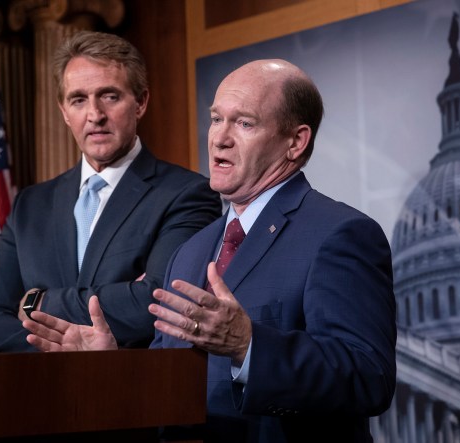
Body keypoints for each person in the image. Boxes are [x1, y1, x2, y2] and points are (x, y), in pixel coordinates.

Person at [23, 59, 396, 442]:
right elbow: (169, 384)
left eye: (244, 123)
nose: (219, 137)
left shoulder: (339, 233)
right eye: (217, 119)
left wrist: (249, 345)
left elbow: (369, 376)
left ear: (295, 142)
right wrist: (114, 367)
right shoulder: (192, 250)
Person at [0, 31, 221, 352]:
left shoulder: (187, 193)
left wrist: (36, 302)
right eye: (78, 99)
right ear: (63, 111)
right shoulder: (30, 205)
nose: (95, 115)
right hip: (38, 393)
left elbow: (162, 306)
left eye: (110, 96)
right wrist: (68, 345)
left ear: (141, 102)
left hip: (132, 391)